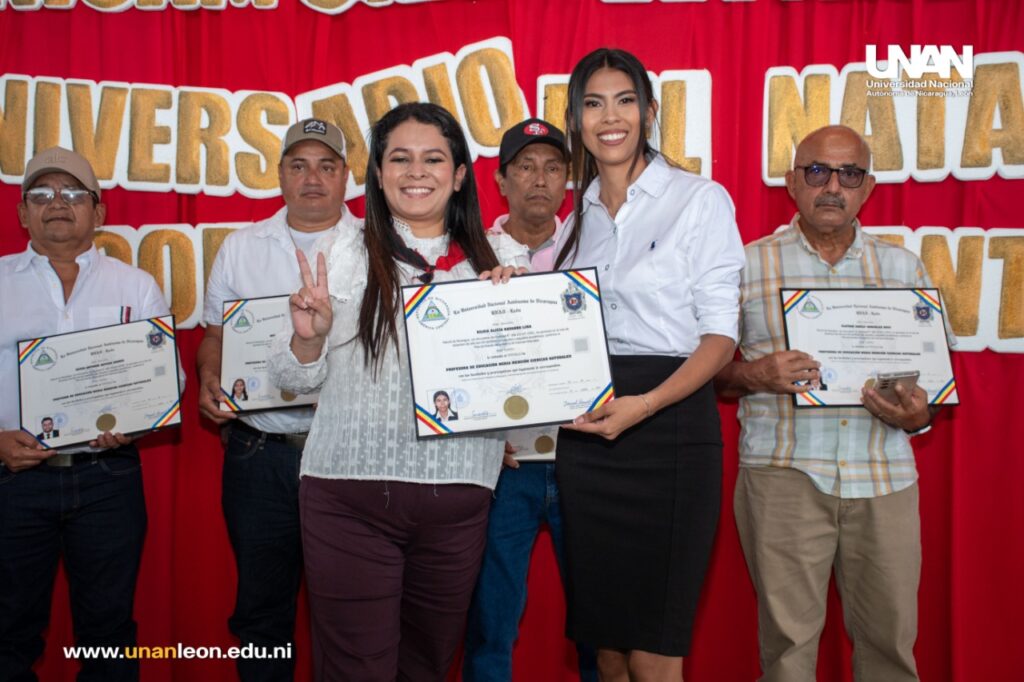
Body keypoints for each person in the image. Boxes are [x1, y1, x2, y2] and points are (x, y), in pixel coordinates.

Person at [268, 102, 527, 682]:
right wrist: (308, 340)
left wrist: (515, 314)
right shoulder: (345, 253)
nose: (417, 172)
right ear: (379, 174)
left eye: (434, 158)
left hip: (458, 501)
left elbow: (532, 381)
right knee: (356, 669)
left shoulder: (502, 260)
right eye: (400, 158)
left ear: (459, 174)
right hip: (348, 495)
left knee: (428, 668)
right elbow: (293, 381)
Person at [715, 124, 948, 682]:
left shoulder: (903, 269)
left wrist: (920, 416)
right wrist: (753, 373)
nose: (832, 187)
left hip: (885, 478)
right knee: (788, 650)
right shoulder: (746, 266)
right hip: (784, 475)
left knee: (891, 647)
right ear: (792, 182)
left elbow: (931, 395)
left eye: (849, 175)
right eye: (817, 171)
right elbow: (710, 377)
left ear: (868, 189)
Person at [552, 48, 745, 681]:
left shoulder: (698, 199)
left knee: (655, 650)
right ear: (577, 119)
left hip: (670, 428)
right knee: (606, 647)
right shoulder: (572, 219)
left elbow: (720, 339)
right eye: (593, 102)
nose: (611, 117)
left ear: (650, 112)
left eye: (625, 100)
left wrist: (648, 404)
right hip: (589, 439)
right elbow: (549, 320)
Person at [0, 147, 173, 680]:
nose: (58, 204)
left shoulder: (135, 286)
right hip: (13, 481)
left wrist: (139, 417)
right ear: (23, 213)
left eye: (74, 193)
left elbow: (169, 380)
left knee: (109, 633)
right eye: (43, 194)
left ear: (97, 214)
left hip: (107, 480)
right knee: (8, 631)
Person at [197, 118, 359, 681]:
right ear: (280, 175)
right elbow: (215, 334)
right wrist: (209, 378)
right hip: (259, 452)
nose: (312, 178)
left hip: (348, 451)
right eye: (298, 165)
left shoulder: (376, 246)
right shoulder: (241, 248)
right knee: (262, 616)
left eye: (326, 165)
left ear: (347, 177)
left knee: (354, 615)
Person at [462, 117, 597, 682]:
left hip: (587, 458)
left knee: (601, 623)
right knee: (490, 623)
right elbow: (455, 361)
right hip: (503, 464)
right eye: (525, 167)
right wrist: (477, 435)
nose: (539, 179)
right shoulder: (468, 257)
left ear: (569, 179)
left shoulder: (599, 245)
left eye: (552, 167)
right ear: (501, 181)